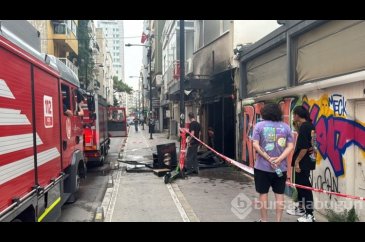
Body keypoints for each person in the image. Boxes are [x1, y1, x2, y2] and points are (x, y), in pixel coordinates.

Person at [252, 103, 294, 222]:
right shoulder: (286, 127)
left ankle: (264, 220)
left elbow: (255, 144)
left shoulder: (259, 126)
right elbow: (290, 146)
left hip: (262, 167)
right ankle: (278, 220)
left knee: (263, 194)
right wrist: (279, 159)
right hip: (281, 168)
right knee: (279, 194)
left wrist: (267, 157)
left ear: (265, 113)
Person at [286, 105, 316, 222]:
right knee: (300, 185)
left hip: (303, 162)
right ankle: (302, 209)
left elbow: (304, 148)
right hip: (309, 160)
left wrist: (297, 162)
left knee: (304, 187)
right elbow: (313, 145)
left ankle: (310, 214)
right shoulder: (310, 126)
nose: (293, 117)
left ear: (297, 115)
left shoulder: (305, 127)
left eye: (294, 115)